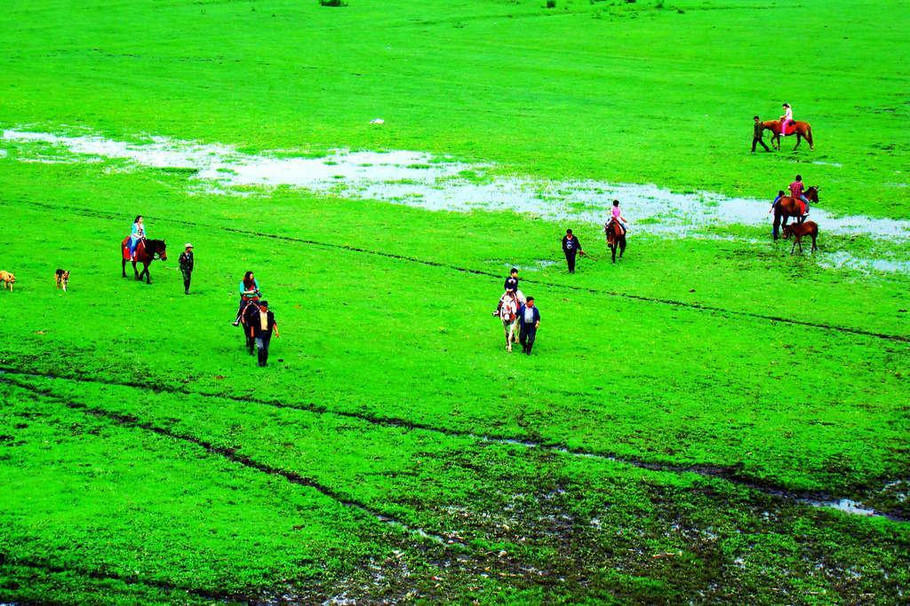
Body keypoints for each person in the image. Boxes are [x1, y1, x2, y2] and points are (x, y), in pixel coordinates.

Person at [248, 300, 279, 367]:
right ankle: (259, 362)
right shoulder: (255, 314)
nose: (266, 308)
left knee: (265, 349)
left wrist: (276, 331)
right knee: (260, 347)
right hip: (258, 333)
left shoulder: (270, 314)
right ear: (261, 306)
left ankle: (264, 362)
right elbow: (252, 325)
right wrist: (252, 333)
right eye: (264, 306)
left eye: (266, 306)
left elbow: (273, 323)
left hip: (267, 334)